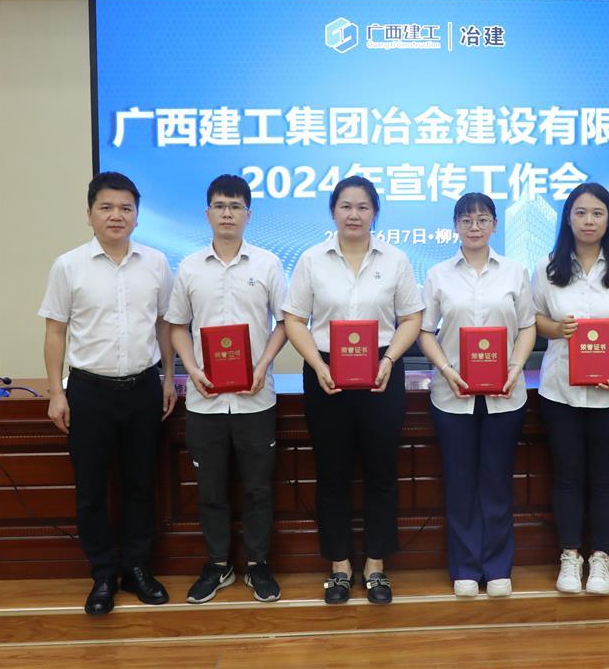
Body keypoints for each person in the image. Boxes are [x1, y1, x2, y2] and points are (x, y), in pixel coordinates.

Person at [39, 171, 176, 615]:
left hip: (142, 388)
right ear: (89, 214)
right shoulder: (68, 265)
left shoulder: (156, 263)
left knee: (141, 485)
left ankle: (137, 568)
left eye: (125, 208)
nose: (116, 215)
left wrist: (168, 379)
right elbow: (55, 331)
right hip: (88, 392)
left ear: (136, 216)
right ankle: (102, 573)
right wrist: (56, 392)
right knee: (92, 489)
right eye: (107, 207)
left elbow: (165, 325)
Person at [283, 176, 424, 604]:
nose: (354, 214)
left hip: (382, 370)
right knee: (332, 473)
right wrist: (317, 364)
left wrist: (389, 359)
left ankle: (376, 566)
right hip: (326, 372)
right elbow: (295, 319)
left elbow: (411, 318)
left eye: (363, 207)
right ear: (333, 211)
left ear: (375, 213)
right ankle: (340, 566)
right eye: (346, 206)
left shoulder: (395, 259)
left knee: (382, 472)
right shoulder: (312, 259)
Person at [166, 174, 288, 604]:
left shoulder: (267, 264)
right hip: (206, 401)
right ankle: (218, 565)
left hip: (256, 398)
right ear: (207, 214)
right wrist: (192, 369)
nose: (227, 214)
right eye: (220, 206)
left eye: (235, 206)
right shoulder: (189, 267)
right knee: (211, 491)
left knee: (258, 489)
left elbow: (285, 323)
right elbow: (177, 326)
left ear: (248, 215)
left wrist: (263, 364)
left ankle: (257, 565)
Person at [532, 182, 609, 595]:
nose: (588, 220)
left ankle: (601, 557)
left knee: (605, 477)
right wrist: (556, 328)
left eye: (597, 213)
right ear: (568, 218)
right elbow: (533, 319)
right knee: (567, 476)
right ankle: (570, 556)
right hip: (561, 390)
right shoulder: (548, 266)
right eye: (581, 212)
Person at [418, 193, 536, 598]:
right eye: (466, 219)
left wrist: (516, 367)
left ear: (495, 225)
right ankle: (466, 567)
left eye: (482, 219)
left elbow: (527, 326)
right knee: (461, 482)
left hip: (506, 393)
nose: (474, 226)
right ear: (455, 225)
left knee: (497, 482)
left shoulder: (515, 272)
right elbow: (425, 331)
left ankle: (498, 567)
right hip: (453, 395)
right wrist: (446, 369)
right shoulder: (438, 274)